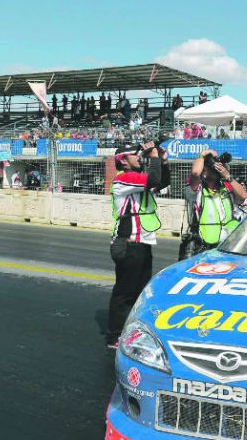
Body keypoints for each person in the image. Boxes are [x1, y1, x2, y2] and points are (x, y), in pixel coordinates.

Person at [107, 142, 170, 348]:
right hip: (128, 243)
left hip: (142, 242)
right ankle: (115, 336)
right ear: (123, 160)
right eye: (135, 155)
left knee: (139, 292)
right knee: (124, 292)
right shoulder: (123, 178)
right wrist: (153, 156)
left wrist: (163, 161)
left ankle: (131, 332)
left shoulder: (136, 179)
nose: (139, 157)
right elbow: (152, 178)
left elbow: (160, 182)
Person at [180, 149, 247, 260]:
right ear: (204, 171)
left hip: (227, 247)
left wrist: (228, 176)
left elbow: (243, 197)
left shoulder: (227, 187)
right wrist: (203, 156)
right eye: (210, 167)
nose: (214, 169)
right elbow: (195, 173)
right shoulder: (198, 189)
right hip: (203, 247)